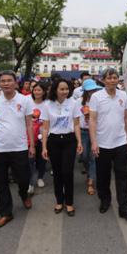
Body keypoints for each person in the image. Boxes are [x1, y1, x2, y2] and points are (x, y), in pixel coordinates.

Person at [0, 71, 35, 229]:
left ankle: (23, 194)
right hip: (0, 149)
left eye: (9, 80)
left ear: (15, 82)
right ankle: (6, 213)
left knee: (23, 179)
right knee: (1, 183)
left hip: (19, 147)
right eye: (3, 81)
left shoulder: (25, 100)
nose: (6, 83)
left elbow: (29, 124)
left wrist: (32, 145)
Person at [88, 68, 127, 220]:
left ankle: (124, 207)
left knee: (122, 175)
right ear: (103, 80)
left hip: (120, 142)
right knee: (103, 176)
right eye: (109, 78)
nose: (112, 80)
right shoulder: (96, 97)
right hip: (102, 144)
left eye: (115, 77)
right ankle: (105, 200)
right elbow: (93, 120)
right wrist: (94, 142)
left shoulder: (123, 95)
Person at [41, 78, 83, 216]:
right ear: (55, 90)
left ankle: (69, 202)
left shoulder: (74, 103)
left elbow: (76, 124)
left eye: (67, 89)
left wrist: (79, 142)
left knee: (67, 172)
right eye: (62, 89)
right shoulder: (47, 104)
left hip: (69, 140)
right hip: (53, 141)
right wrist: (44, 147)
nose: (65, 91)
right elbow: (45, 128)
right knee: (57, 173)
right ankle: (59, 201)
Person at [79, 79, 101, 195]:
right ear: (85, 92)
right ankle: (89, 173)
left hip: (95, 132)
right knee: (84, 155)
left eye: (94, 89)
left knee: (93, 157)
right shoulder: (78, 102)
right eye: (90, 90)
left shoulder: (99, 100)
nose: (92, 92)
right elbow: (75, 119)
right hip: (82, 132)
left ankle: (91, 182)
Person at [28, 81, 48, 193]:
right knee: (30, 159)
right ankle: (31, 182)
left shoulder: (48, 103)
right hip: (30, 136)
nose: (37, 92)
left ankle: (40, 177)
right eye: (35, 90)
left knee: (42, 159)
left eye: (39, 90)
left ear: (44, 92)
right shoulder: (27, 102)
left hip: (43, 136)